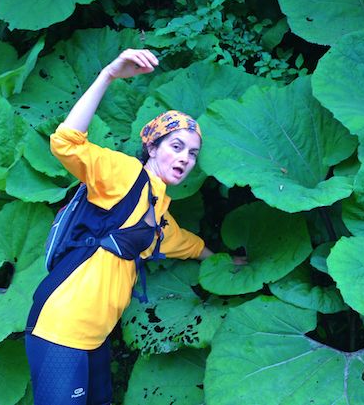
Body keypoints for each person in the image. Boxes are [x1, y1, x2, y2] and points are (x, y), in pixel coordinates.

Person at [25, 49, 235, 405]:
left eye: (192, 153)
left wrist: (226, 262)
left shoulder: (159, 210)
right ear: (152, 146)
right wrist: (108, 74)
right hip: (59, 327)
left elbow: (188, 244)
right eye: (177, 146)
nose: (185, 158)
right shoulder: (124, 175)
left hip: (95, 337)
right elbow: (65, 143)